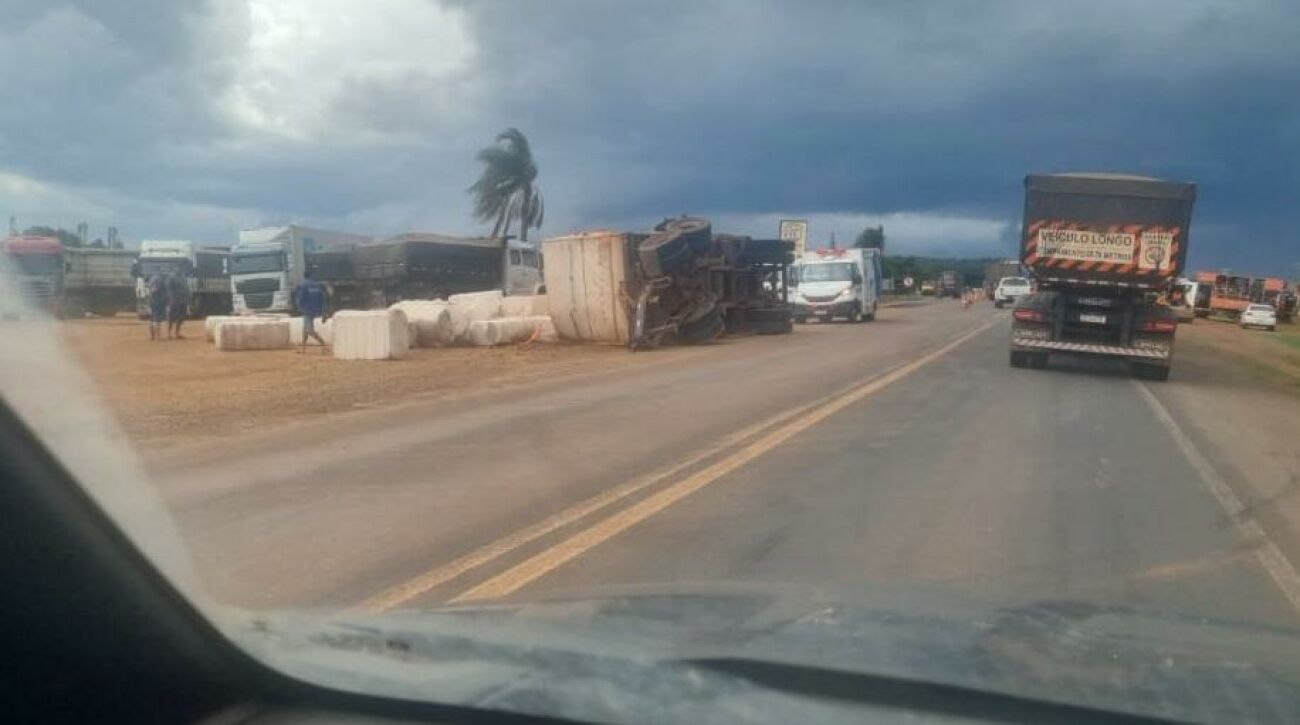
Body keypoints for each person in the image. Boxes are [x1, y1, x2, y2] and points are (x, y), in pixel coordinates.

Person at [295, 271, 328, 352]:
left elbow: (300, 298)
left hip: (307, 310)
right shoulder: (317, 285)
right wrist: (324, 312)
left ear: (304, 277)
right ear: (311, 276)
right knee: (305, 328)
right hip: (316, 309)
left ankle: (323, 343)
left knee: (309, 330)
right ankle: (303, 348)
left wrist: (299, 307)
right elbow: (323, 299)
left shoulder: (303, 285)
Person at [165, 270, 189, 339]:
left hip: (182, 301)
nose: (179, 269)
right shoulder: (171, 278)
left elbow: (186, 288)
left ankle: (177, 333)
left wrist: (187, 297)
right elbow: (168, 288)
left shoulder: (183, 277)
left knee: (181, 318)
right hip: (174, 301)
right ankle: (168, 334)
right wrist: (171, 298)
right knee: (171, 318)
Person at [146, 271, 167, 341]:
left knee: (151, 319)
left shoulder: (151, 280)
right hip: (158, 302)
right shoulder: (159, 280)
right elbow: (156, 290)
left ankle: (152, 336)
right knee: (157, 320)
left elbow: (150, 291)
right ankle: (158, 337)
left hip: (151, 302)